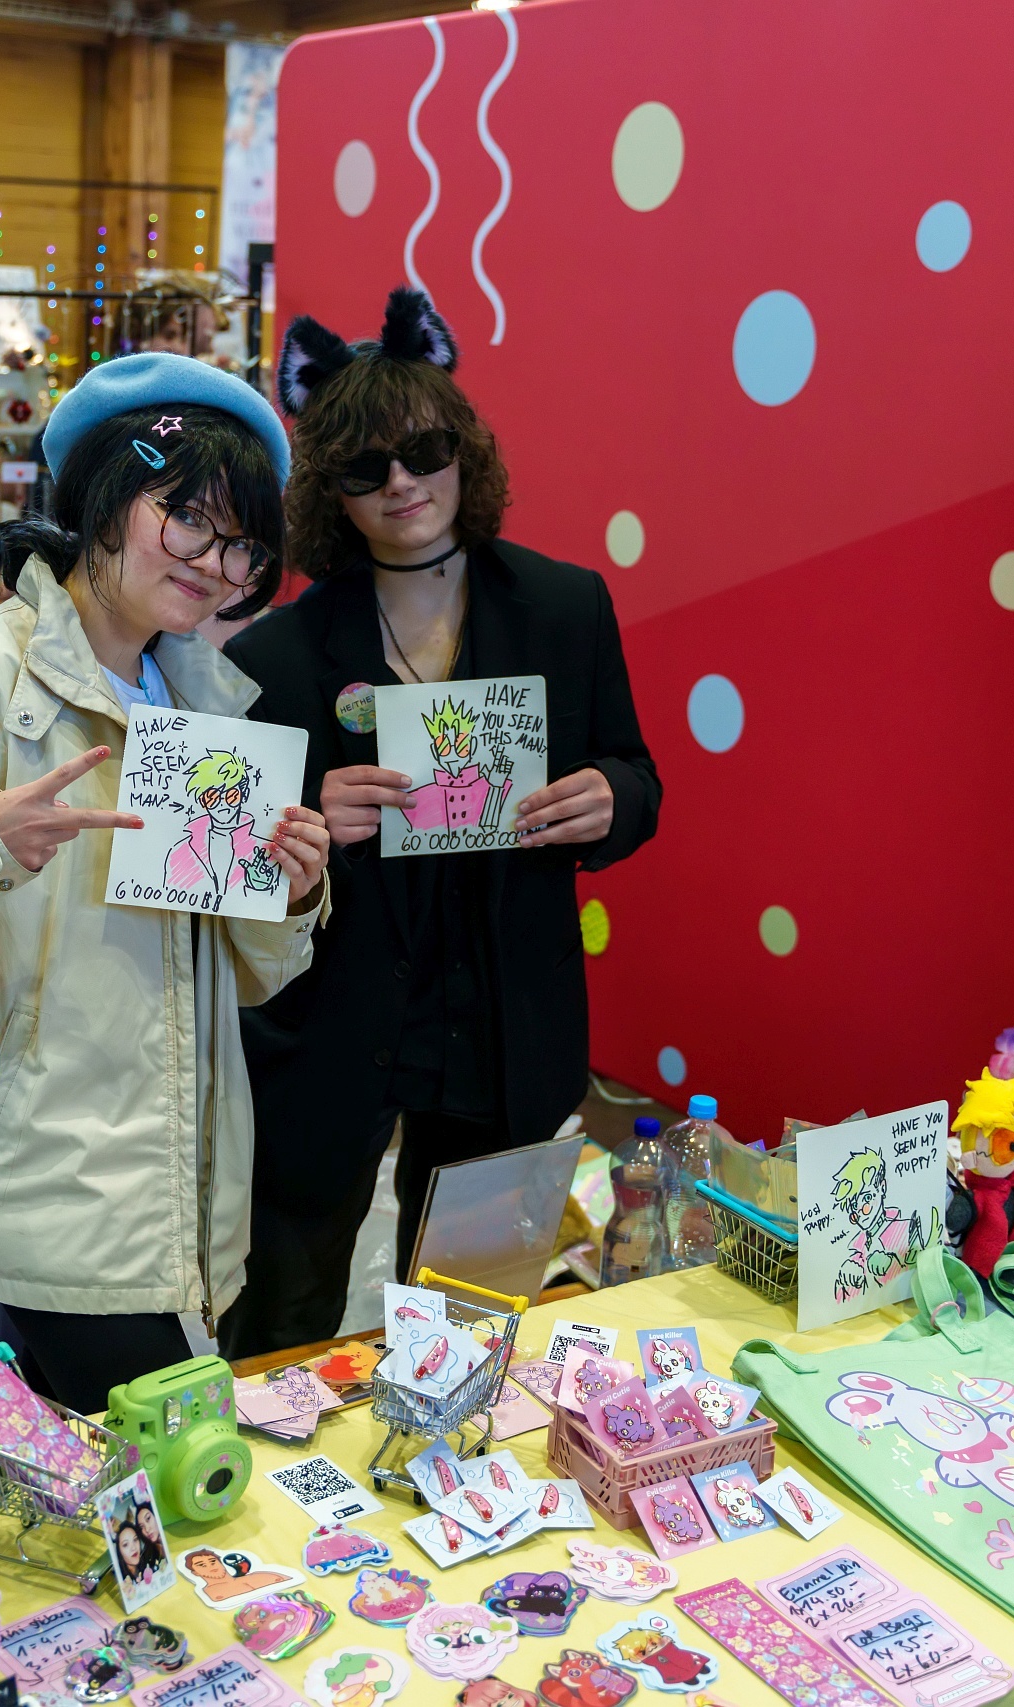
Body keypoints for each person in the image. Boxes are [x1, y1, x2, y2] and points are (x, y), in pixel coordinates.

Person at [0, 353, 330, 1414]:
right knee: (172, 1463)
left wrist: (291, 893)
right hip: (40, 1189)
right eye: (188, 519)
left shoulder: (202, 702)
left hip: (183, 1191)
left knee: (106, 1494)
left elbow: (247, 978)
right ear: (105, 495)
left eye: (242, 545)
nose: (215, 565)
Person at [219, 289, 660, 1357]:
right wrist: (304, 823)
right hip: (333, 1030)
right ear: (329, 490)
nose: (401, 483)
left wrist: (609, 798)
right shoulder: (272, 656)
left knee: (474, 1309)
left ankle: (456, 1444)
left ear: (464, 450)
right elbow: (234, 859)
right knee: (282, 1308)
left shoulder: (564, 608)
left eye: (421, 451)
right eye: (364, 467)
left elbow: (637, 776)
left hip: (506, 1014)